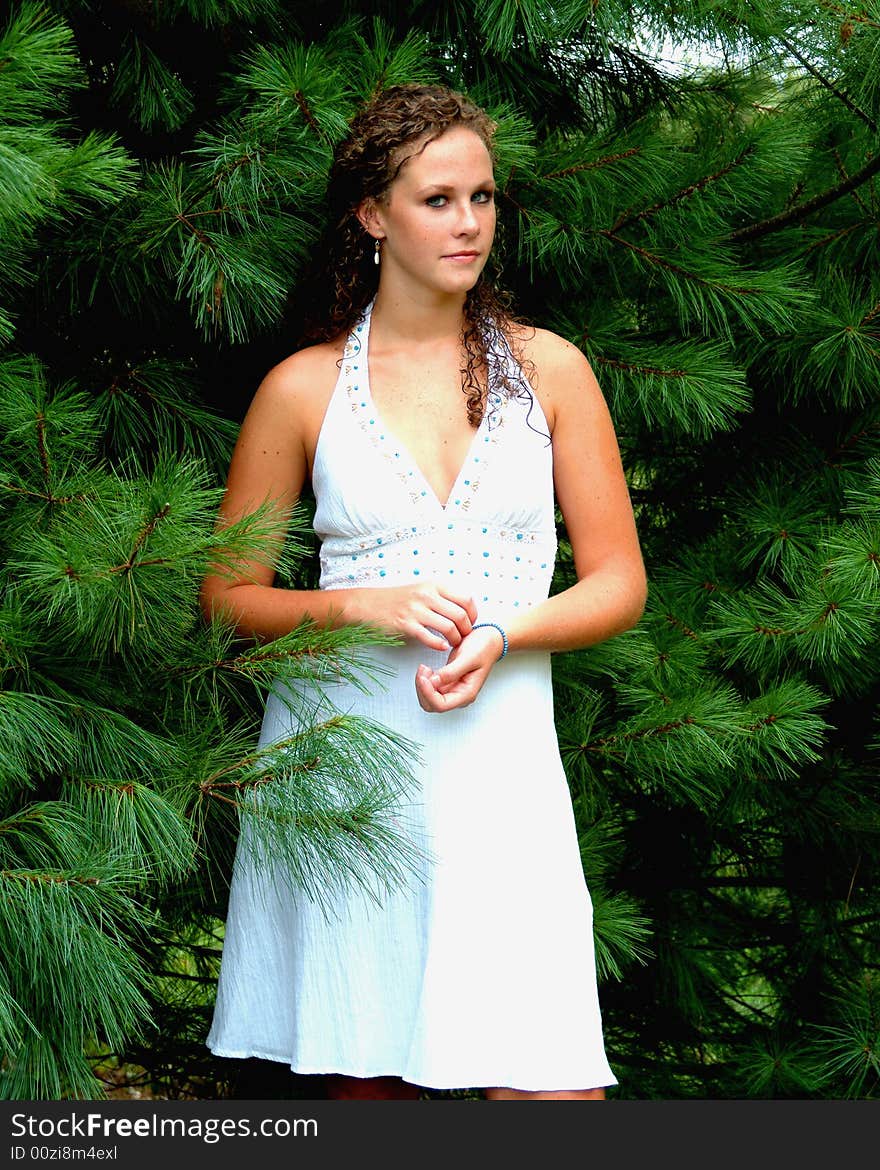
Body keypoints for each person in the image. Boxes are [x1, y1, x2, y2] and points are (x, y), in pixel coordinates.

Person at [203, 83, 647, 1101]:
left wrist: (501, 627)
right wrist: (354, 605)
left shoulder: (553, 372)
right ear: (372, 214)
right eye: (437, 199)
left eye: (482, 198)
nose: (468, 223)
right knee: (374, 1088)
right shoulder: (302, 388)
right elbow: (228, 594)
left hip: (502, 771)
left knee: (550, 1091)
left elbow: (619, 582)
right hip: (346, 770)